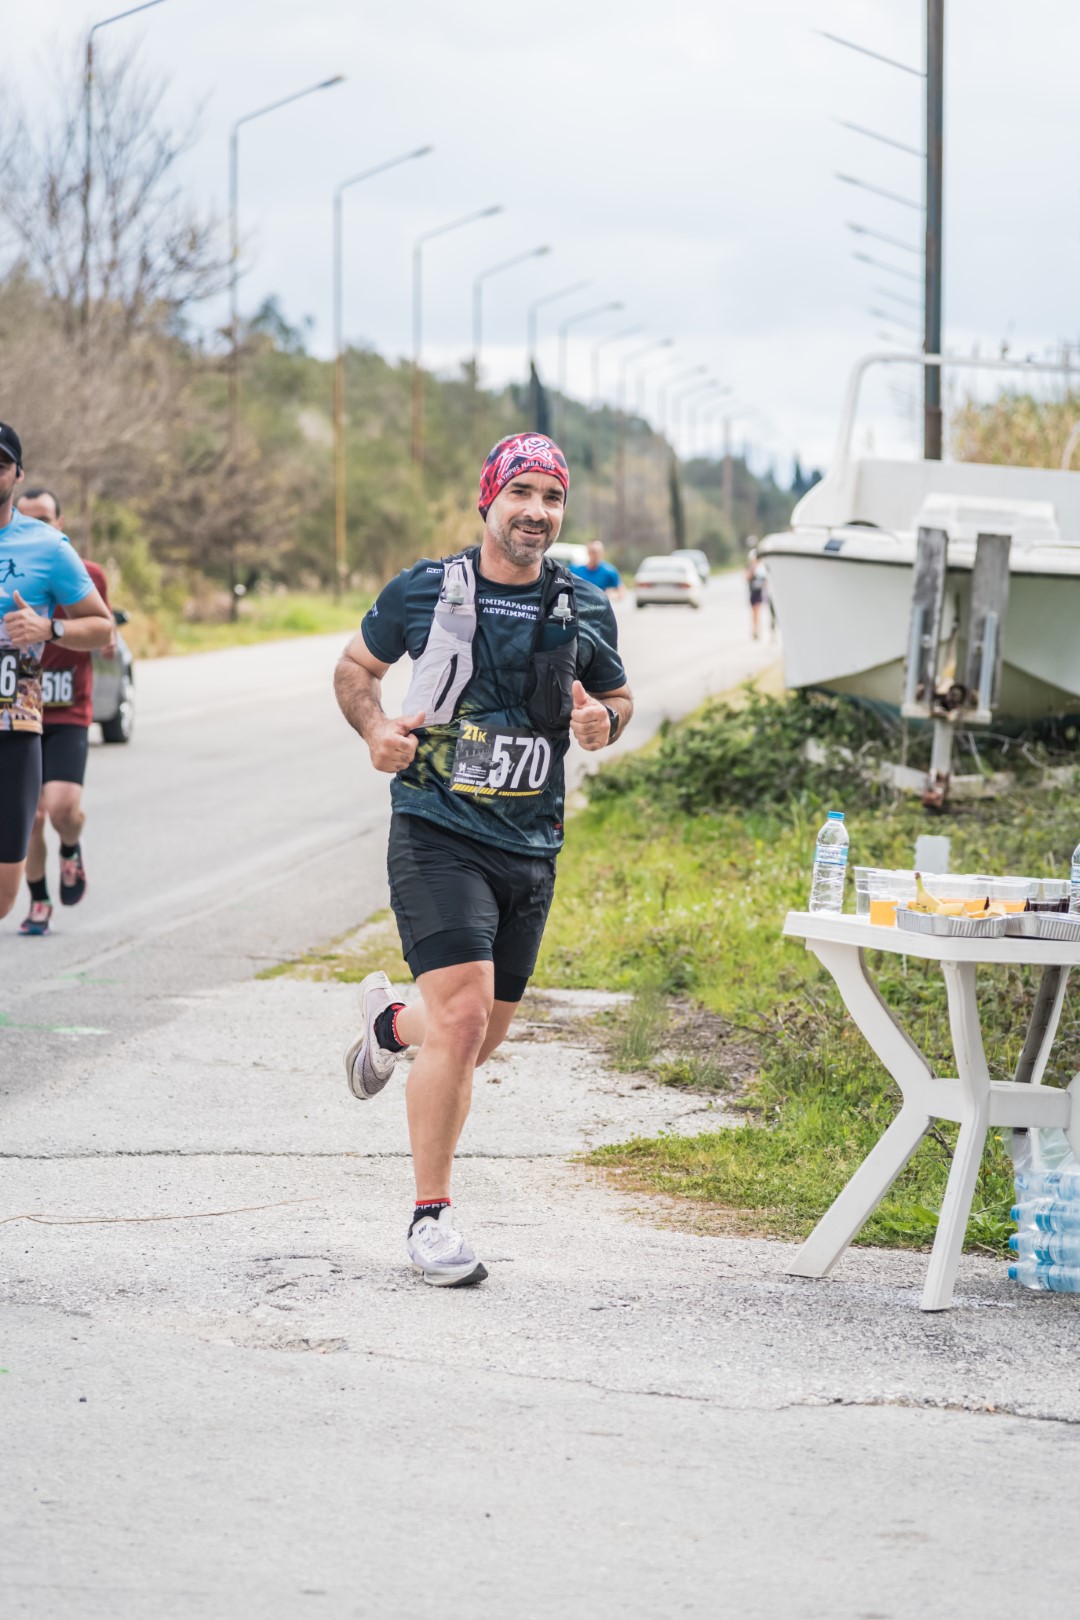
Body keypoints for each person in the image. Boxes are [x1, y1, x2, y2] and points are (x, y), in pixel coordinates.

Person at [334, 432, 633, 1287]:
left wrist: (605, 722)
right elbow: (356, 668)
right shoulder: (426, 589)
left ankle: (390, 1028)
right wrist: (375, 728)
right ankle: (430, 1221)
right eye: (522, 493)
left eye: (553, 497)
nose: (537, 511)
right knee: (462, 1021)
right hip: (436, 829)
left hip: (530, 844)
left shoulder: (582, 606)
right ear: (488, 499)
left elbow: (617, 696)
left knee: (473, 1038)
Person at [0, 424, 113, 924]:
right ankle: (41, 900)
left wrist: (49, 628)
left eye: (1, 464)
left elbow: (101, 625)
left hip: (16, 723)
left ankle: (59, 863)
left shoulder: (48, 548)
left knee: (5, 894)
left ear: (18, 474)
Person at [745, 546, 769, 640]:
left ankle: (757, 630)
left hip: (759, 592)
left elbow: (766, 581)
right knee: (754, 613)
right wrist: (753, 569)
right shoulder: (750, 567)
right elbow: (746, 578)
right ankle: (755, 629)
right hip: (753, 592)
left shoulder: (762, 568)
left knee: (758, 611)